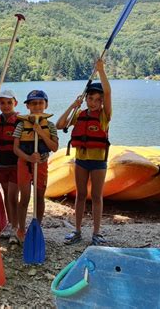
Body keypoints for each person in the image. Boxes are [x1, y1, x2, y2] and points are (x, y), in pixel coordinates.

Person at [56, 59, 111, 246]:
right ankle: (77, 231)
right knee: (80, 196)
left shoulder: (104, 116)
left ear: (102, 102)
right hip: (80, 160)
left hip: (98, 163)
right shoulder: (80, 114)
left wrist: (101, 71)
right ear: (86, 99)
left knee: (96, 196)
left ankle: (96, 233)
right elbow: (59, 124)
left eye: (98, 100)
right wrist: (74, 105)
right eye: (91, 99)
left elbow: (108, 92)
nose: (94, 102)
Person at [12, 90, 59, 244]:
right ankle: (21, 229)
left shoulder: (50, 126)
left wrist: (40, 132)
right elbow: (16, 148)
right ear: (28, 106)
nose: (37, 106)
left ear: (46, 105)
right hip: (24, 163)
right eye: (33, 103)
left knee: (39, 197)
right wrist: (29, 157)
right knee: (24, 197)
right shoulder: (21, 125)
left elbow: (54, 147)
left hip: (42, 164)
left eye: (40, 103)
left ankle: (37, 228)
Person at [0, 89, 20, 242]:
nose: (6, 106)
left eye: (9, 102)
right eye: (2, 103)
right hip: (1, 162)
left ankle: (16, 227)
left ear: (15, 103)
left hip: (16, 163)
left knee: (12, 196)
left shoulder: (20, 120)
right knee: (6, 195)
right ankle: (11, 224)